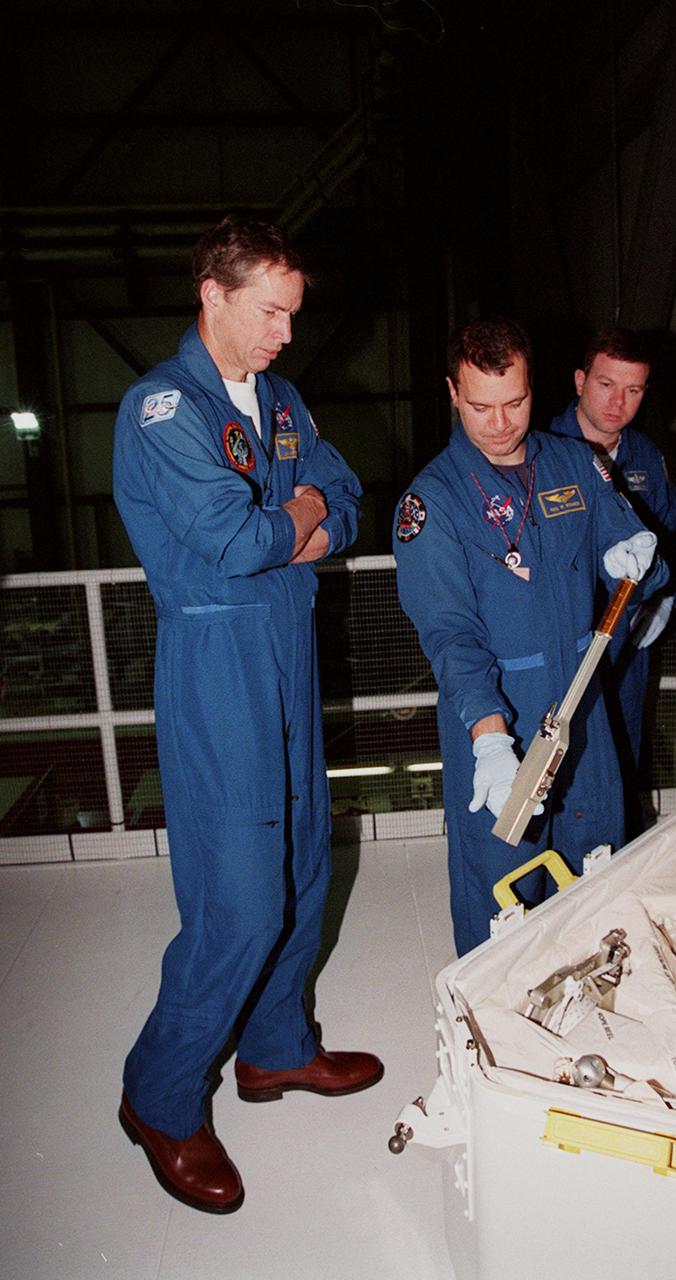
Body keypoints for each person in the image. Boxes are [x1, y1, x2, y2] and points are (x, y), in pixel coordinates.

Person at [113, 215, 382, 1215]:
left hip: (286, 646)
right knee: (239, 896)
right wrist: (298, 514)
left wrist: (303, 517)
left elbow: (345, 495)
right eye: (270, 312)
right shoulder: (159, 410)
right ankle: (161, 1092)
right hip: (216, 656)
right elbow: (233, 545)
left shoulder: (279, 401)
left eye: (293, 314)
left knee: (305, 858)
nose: (285, 334)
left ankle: (273, 1050)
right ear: (213, 295)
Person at [394, 317, 668, 957]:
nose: (499, 423)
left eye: (513, 403)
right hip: (500, 714)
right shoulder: (432, 502)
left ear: (533, 390)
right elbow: (451, 634)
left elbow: (634, 555)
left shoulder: (577, 463)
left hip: (585, 707)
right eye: (481, 405)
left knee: (598, 868)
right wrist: (491, 740)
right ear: (453, 393)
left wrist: (639, 557)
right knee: (502, 895)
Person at [547, 327, 676, 831]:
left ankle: (622, 850)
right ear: (581, 380)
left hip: (629, 633)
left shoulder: (648, 456)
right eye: (606, 385)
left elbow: (669, 530)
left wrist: (664, 598)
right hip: (564, 632)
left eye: (633, 390)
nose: (617, 402)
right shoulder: (540, 453)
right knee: (565, 749)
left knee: (625, 741)